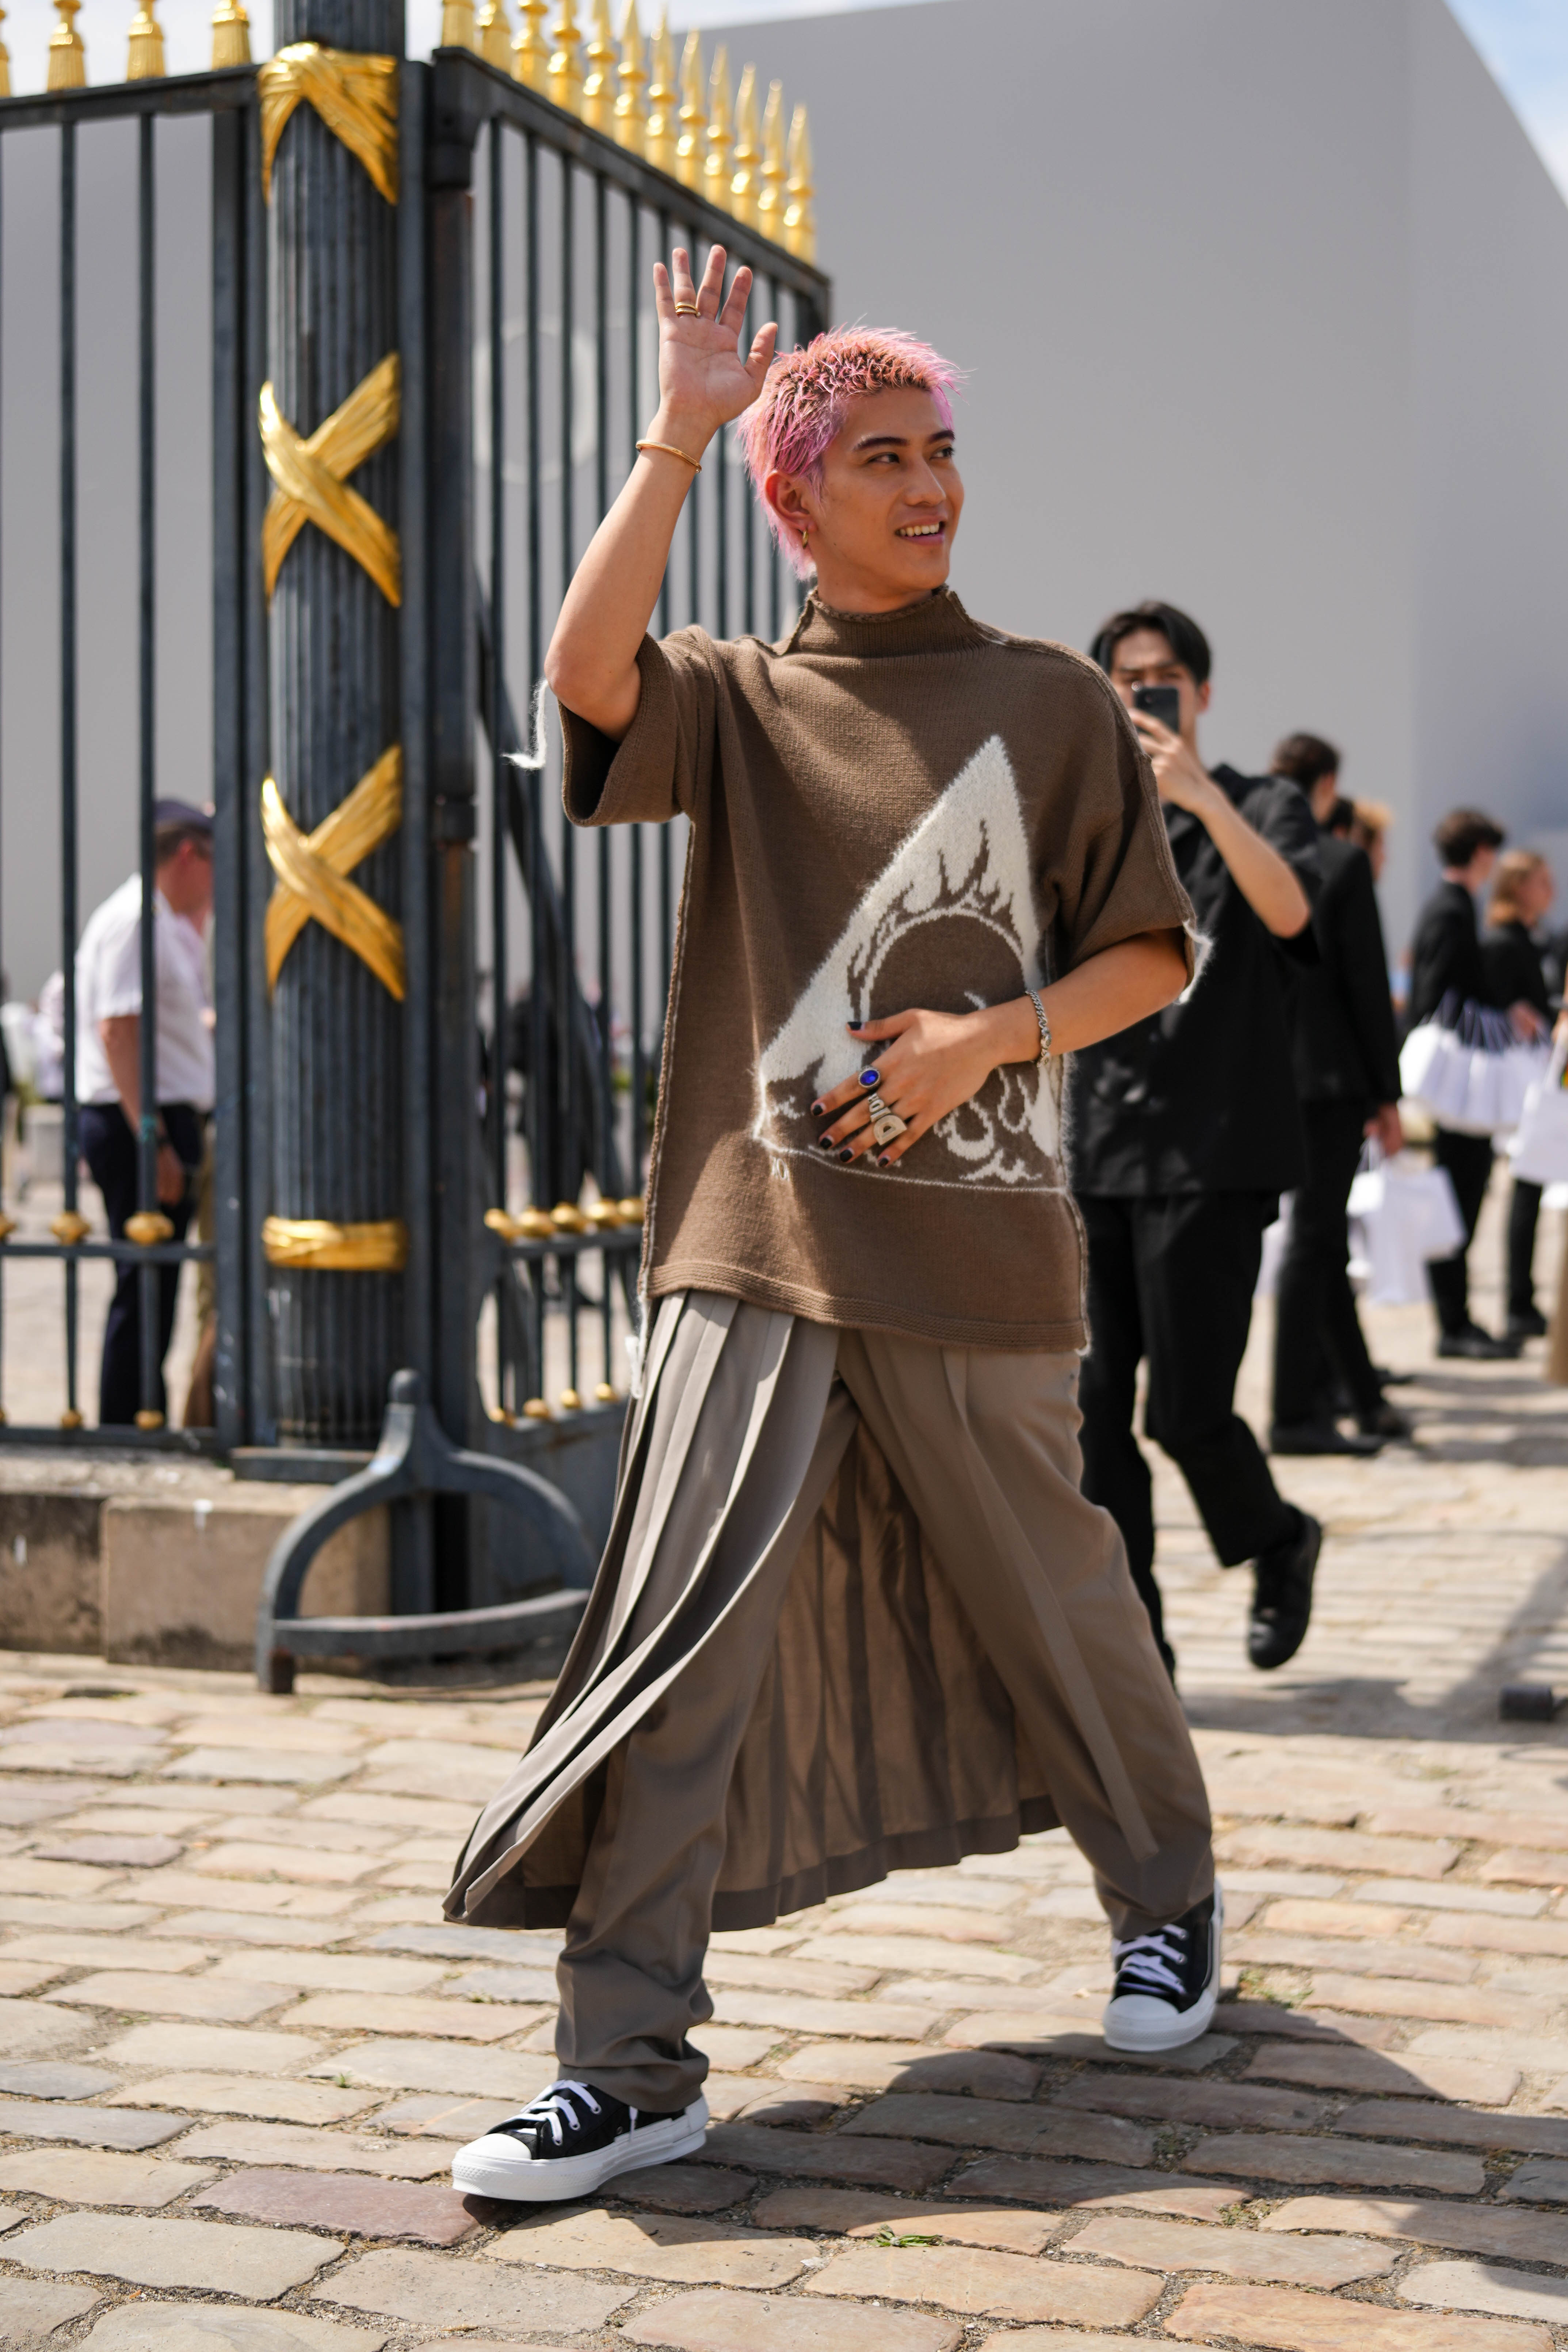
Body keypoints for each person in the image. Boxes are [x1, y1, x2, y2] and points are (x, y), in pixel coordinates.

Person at [443, 254, 1222, 2208]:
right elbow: (584, 672)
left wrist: (980, 1041)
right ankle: (624, 2064)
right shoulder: (740, 693)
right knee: (673, 1642)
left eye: (943, 450)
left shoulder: (1047, 698)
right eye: (880, 455)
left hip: (969, 1249)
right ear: (793, 499)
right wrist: (681, 424)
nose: (928, 484)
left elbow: (1147, 952)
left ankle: (1169, 1905)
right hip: (754, 1226)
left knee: (1056, 1600)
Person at [1068, 603, 1322, 1680]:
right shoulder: (1082, 822)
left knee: (1185, 1413)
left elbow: (1290, 915)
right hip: (1092, 1151)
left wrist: (1200, 798)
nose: (1146, 693)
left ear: (1200, 694)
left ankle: (1276, 1537)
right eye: (1127, 680)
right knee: (1087, 1415)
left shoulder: (1259, 808)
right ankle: (1140, 1647)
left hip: (1211, 1154)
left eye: (1164, 677)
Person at [1266, 733, 1406, 1454]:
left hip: (1263, 1076)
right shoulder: (1340, 862)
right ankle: (1294, 1410)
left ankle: (1357, 1394)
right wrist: (1388, 1094)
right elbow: (1364, 988)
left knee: (1315, 1243)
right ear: (1325, 788)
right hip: (1327, 1081)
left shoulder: (1246, 858)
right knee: (1313, 1242)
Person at [75, 802, 214, 1426]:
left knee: (153, 1282)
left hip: (145, 1115)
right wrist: (152, 1135)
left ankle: (137, 1414)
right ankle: (124, 1420)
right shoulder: (138, 919)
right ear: (188, 854)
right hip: (141, 1119)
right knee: (144, 1281)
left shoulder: (156, 919)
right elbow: (117, 1031)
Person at [1408, 809, 1539, 1359]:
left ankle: (1457, 1318)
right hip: (1461, 1088)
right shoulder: (1452, 910)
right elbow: (1439, 995)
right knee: (1458, 1197)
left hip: (1461, 1088)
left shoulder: (1450, 908)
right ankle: (1453, 1322)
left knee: (1462, 1195)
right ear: (1481, 854)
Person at [1482, 850, 1554, 1342]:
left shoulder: (1535, 938)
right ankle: (1516, 1301)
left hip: (1539, 1076)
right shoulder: (1503, 942)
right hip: (1520, 1084)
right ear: (1516, 887)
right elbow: (1493, 1005)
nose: (1550, 888)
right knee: (1525, 1185)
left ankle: (1522, 1299)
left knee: (1532, 1185)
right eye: (1540, 881)